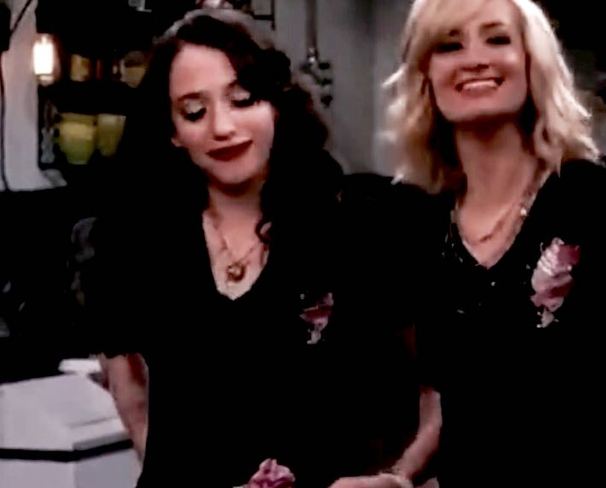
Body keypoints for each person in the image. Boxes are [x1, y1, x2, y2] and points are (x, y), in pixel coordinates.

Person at [89, 8, 440, 488]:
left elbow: (442, 381)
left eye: (243, 100)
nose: (222, 127)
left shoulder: (360, 224)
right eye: (194, 112)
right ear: (172, 131)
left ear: (276, 103)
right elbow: (125, 375)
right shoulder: (137, 241)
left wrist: (399, 477)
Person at [385, 0, 606, 486]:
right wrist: (400, 476)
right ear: (425, 75)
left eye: (497, 39)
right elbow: (441, 397)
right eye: (450, 45)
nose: (475, 59)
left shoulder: (601, 200)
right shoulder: (413, 219)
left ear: (532, 61)